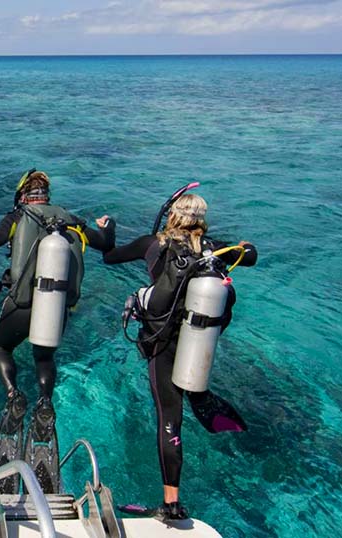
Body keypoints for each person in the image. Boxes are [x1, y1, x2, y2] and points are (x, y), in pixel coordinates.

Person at [0, 169, 113, 493]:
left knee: (2, 349)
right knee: (44, 357)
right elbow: (106, 246)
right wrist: (108, 228)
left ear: (23, 195)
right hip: (55, 308)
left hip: (22, 307)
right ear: (47, 195)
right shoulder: (71, 221)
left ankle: (13, 394)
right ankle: (44, 403)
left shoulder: (16, 217)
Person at [102, 191, 257, 521]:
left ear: (173, 215)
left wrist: (109, 228)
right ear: (201, 219)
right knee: (185, 397)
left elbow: (110, 256)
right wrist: (244, 246)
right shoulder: (213, 250)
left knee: (169, 420)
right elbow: (252, 255)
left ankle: (171, 505)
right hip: (196, 339)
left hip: (162, 344)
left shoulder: (152, 244)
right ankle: (200, 395)